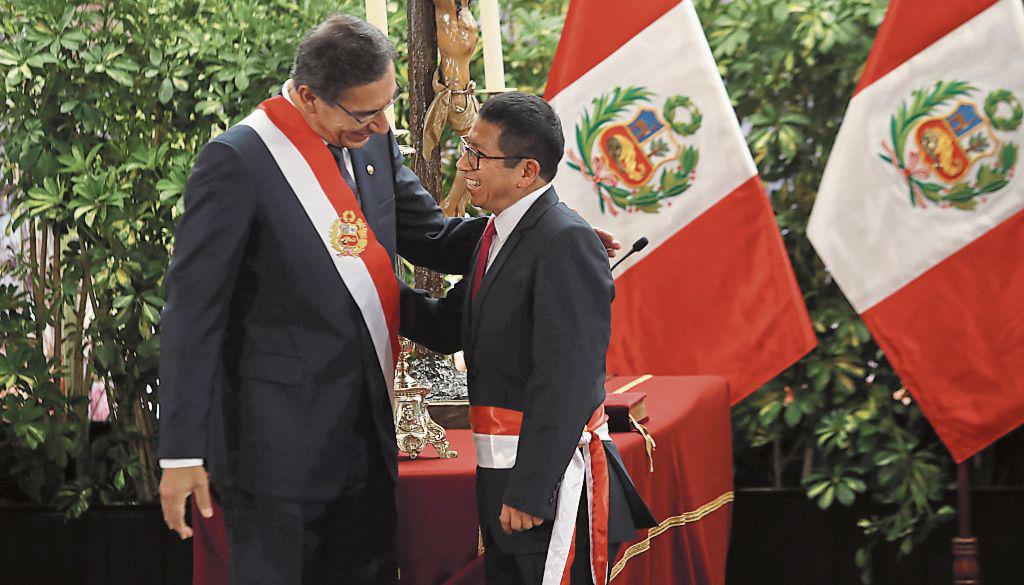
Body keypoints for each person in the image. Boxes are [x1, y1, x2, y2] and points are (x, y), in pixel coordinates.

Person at [156, 14, 492, 584]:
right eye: (365, 113)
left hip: (368, 434)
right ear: (309, 97)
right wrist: (180, 453)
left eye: (388, 105)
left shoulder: (373, 146)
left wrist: (532, 233)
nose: (383, 125)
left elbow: (433, 236)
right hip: (275, 453)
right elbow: (192, 312)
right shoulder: (238, 162)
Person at [403, 92, 656, 585]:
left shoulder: (565, 240)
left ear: (526, 171)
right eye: (465, 147)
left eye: (478, 153)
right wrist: (368, 284)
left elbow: (569, 380)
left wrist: (531, 489)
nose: (465, 164)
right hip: (500, 476)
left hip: (546, 484)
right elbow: (443, 326)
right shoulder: (493, 234)